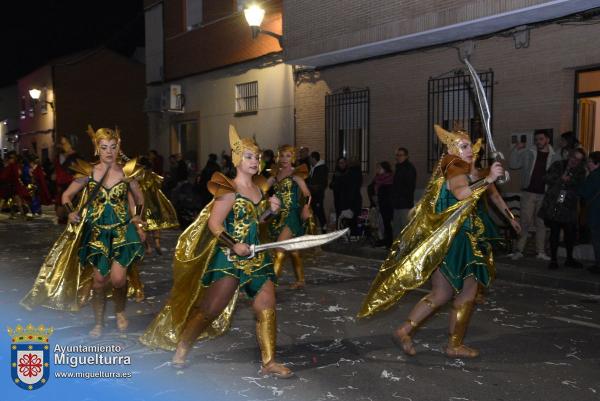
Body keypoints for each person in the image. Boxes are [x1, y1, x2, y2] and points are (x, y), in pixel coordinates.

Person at [140, 126, 292, 378]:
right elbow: (214, 225)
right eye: (248, 156)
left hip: (256, 257)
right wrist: (234, 245)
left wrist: (270, 212)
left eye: (257, 157)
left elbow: (257, 223)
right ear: (237, 160)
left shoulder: (259, 190)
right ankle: (183, 346)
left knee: (267, 304)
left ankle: (269, 361)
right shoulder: (228, 189)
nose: (255, 161)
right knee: (210, 309)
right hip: (230, 257)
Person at [358, 125, 520, 358]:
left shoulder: (472, 171)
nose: (470, 151)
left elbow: (493, 195)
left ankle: (404, 331)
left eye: (471, 147)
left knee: (441, 294)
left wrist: (510, 217)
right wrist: (489, 179)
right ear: (452, 148)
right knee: (468, 292)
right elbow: (463, 194)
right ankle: (454, 345)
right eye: (463, 146)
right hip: (458, 240)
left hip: (449, 239)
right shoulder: (454, 168)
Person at [21, 126, 146, 337]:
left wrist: (138, 219)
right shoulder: (87, 172)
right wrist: (70, 212)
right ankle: (98, 323)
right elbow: (67, 196)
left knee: (117, 279)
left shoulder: (127, 172)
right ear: (97, 148)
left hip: (123, 232)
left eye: (113, 147)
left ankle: (120, 311)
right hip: (97, 233)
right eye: (104, 147)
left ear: (118, 148)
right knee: (99, 280)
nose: (109, 152)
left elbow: (139, 199)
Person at [508, 129, 560, 260]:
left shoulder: (555, 157)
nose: (538, 142)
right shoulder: (528, 153)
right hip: (529, 193)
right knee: (525, 222)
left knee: (541, 223)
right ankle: (519, 250)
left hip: (545, 195)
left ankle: (541, 252)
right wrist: (516, 149)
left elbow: (558, 177)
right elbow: (513, 165)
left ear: (547, 140)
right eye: (536, 139)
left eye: (541, 139)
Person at [267, 145, 313, 289]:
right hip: (278, 216)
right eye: (282, 156)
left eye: (288, 156)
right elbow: (260, 190)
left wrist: (306, 207)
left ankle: (271, 285)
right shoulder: (275, 175)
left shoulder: (296, 174)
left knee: (279, 248)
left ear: (293, 157)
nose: (284, 159)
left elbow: (307, 194)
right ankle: (300, 280)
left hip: (292, 215)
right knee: (293, 249)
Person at [538, 149, 586, 270]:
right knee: (554, 233)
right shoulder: (558, 164)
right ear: (570, 155)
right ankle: (553, 260)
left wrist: (568, 181)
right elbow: (545, 178)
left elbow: (579, 184)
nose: (575, 161)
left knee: (570, 235)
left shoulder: (581, 170)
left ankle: (569, 259)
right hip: (554, 205)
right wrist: (561, 178)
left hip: (569, 207)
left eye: (579, 160)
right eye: (574, 157)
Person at [138, 156, 179, 257]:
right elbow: (159, 187)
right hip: (154, 203)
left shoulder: (138, 177)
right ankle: (157, 244)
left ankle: (148, 247)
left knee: (143, 226)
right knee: (156, 225)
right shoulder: (153, 176)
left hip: (142, 205)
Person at [579, 151, 600, 274]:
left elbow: (584, 192)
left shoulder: (593, 176)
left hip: (596, 213)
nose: (588, 164)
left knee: (597, 240)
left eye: (590, 162)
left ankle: (598, 265)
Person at [54, 135, 80, 224]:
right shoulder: (64, 157)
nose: (62, 146)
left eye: (64, 143)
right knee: (61, 215)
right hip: (64, 188)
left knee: (66, 215)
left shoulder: (76, 158)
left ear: (71, 144)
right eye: (62, 144)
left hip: (74, 190)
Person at [392, 147, 417, 237]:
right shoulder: (398, 168)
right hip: (397, 203)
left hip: (405, 203)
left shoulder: (409, 168)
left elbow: (409, 186)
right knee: (397, 228)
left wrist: (401, 196)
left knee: (404, 228)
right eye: (397, 155)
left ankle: (405, 249)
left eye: (401, 155)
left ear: (406, 156)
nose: (398, 157)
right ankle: (397, 249)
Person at [372, 161, 394, 248]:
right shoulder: (377, 178)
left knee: (388, 224)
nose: (377, 170)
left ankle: (389, 242)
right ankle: (385, 240)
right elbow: (372, 188)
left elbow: (388, 193)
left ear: (385, 169)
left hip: (388, 205)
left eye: (379, 168)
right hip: (381, 205)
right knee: (383, 224)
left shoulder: (389, 179)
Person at [307, 151, 328, 232]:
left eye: (310, 159)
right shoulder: (313, 168)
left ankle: (324, 228)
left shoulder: (321, 168)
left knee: (319, 212)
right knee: (314, 212)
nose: (309, 161)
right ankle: (315, 228)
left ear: (313, 158)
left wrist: (310, 186)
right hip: (312, 194)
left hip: (318, 194)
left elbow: (322, 183)